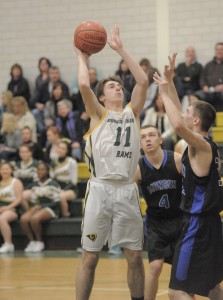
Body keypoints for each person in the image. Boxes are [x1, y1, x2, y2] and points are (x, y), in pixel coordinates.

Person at [74, 25, 148, 300]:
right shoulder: (97, 113)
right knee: (90, 258)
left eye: (119, 86)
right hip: (100, 189)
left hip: (127, 190)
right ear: (102, 96)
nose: (118, 88)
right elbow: (83, 85)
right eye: (112, 86)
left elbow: (142, 82)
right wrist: (82, 57)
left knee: (135, 256)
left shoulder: (133, 113)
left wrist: (121, 49)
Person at [153, 53, 223, 299]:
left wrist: (162, 94)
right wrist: (169, 81)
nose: (183, 112)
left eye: (188, 109)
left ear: (196, 120)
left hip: (198, 224)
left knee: (176, 291)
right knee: (211, 285)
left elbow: (179, 126)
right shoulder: (202, 145)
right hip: (209, 223)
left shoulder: (202, 146)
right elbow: (182, 119)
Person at [135, 125, 182, 300]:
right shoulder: (138, 168)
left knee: (182, 269)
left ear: (160, 139)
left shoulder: (176, 160)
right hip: (155, 224)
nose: (147, 139)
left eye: (152, 135)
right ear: (139, 143)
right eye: (143, 137)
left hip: (180, 221)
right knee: (155, 266)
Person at [20, 161, 61, 253]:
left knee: (34, 218)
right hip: (39, 207)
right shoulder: (35, 184)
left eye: (43, 170)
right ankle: (32, 241)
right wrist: (34, 207)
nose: (40, 172)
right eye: (38, 170)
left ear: (47, 171)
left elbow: (57, 202)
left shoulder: (53, 183)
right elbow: (34, 201)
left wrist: (41, 206)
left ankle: (39, 241)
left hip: (51, 208)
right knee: (23, 219)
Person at [50, 140, 78, 217]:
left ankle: (65, 215)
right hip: (57, 187)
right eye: (59, 148)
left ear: (67, 151)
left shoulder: (72, 162)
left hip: (70, 188)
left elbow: (74, 182)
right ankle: (54, 214)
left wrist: (63, 190)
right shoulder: (53, 162)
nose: (60, 150)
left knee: (61, 196)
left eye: (63, 149)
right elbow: (52, 178)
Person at [0, 162, 23, 253]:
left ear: (11, 170)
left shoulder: (16, 182)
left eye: (7, 169)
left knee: (1, 219)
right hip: (1, 207)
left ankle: (8, 244)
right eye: (2, 169)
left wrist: (7, 207)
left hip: (14, 208)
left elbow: (19, 199)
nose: (4, 171)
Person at [195, 42, 223, 112]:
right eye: (217, 49)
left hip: (221, 91)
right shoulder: (208, 65)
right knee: (194, 97)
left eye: (221, 49)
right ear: (215, 50)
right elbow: (202, 78)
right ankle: (198, 121)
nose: (219, 51)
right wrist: (204, 86)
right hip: (208, 91)